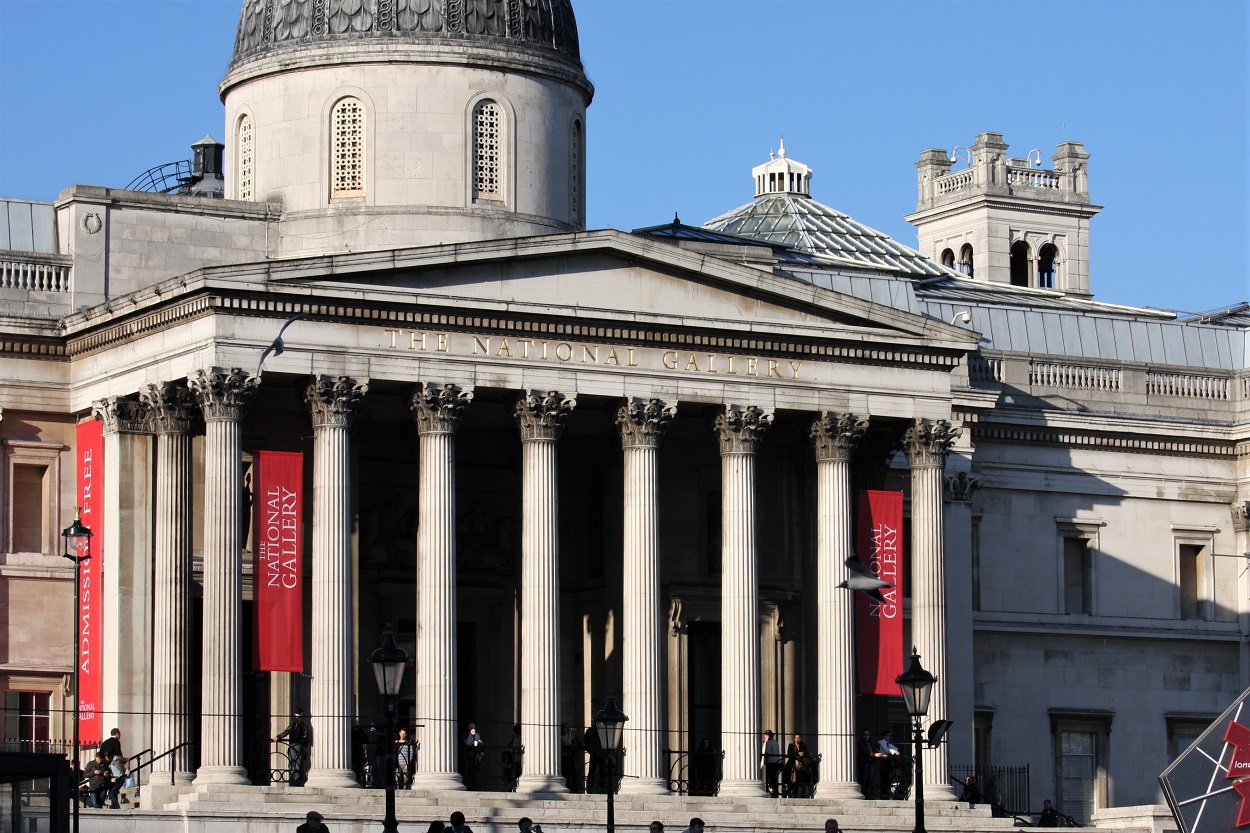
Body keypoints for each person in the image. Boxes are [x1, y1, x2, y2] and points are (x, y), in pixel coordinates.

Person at [274, 708, 310, 787]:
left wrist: (278, 737)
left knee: (293, 761)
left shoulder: (294, 721)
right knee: (298, 762)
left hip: (294, 744)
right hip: (301, 745)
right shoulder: (305, 723)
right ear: (302, 713)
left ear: (294, 714)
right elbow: (306, 735)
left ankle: (294, 779)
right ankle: (298, 779)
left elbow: (288, 731)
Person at [857, 730, 882, 798]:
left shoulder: (871, 742)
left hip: (871, 762)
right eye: (865, 735)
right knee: (864, 778)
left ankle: (869, 794)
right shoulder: (860, 743)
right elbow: (863, 752)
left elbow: (875, 749)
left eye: (867, 735)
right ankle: (864, 793)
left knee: (870, 778)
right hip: (864, 762)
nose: (866, 736)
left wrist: (879, 754)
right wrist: (873, 755)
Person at [877, 731, 900, 799]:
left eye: (889, 736)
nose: (889, 737)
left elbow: (895, 748)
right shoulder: (881, 742)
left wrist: (894, 751)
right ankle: (883, 794)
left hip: (888, 761)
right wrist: (894, 751)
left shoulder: (888, 743)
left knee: (889, 778)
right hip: (883, 761)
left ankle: (888, 794)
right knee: (884, 778)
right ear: (884, 736)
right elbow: (886, 749)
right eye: (887, 736)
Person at [784, 733, 808, 797]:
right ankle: (790, 792)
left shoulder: (802, 745)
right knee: (792, 780)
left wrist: (803, 753)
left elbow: (807, 752)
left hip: (800, 765)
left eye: (798, 738)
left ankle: (802, 794)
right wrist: (797, 753)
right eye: (796, 738)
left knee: (801, 779)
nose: (797, 739)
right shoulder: (791, 745)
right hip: (792, 764)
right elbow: (790, 754)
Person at [760, 729, 782, 797]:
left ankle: (772, 790)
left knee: (770, 777)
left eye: (765, 735)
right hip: (776, 762)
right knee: (774, 777)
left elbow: (766, 753)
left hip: (771, 762)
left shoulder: (768, 742)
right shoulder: (775, 742)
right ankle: (774, 790)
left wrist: (762, 763)